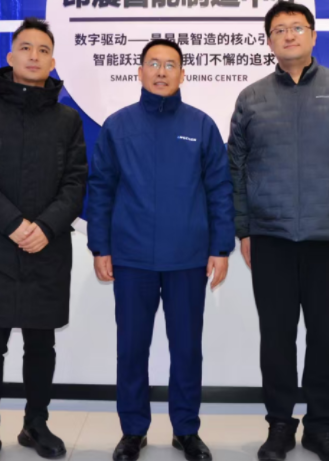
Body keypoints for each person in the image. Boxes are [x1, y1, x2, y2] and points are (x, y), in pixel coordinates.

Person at [228, 1, 329, 461]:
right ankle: (280, 425)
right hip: (271, 237)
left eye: (297, 27)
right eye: (279, 29)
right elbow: (235, 167)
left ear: (313, 36)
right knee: (276, 338)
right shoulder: (252, 97)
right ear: (269, 41)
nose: (289, 35)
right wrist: (244, 229)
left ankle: (320, 427)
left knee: (325, 338)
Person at [87, 39, 235, 461]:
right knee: (131, 348)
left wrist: (220, 247)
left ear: (183, 74)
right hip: (131, 257)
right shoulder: (118, 125)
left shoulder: (201, 125)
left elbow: (219, 189)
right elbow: (101, 188)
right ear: (139, 71)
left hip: (187, 257)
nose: (162, 71)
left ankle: (186, 430)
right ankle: (133, 430)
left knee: (186, 349)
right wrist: (100, 246)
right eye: (153, 63)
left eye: (171, 65)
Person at [0, 18, 87, 461]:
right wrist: (14, 224)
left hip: (47, 248)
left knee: (41, 344)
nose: (34, 56)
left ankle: (36, 424)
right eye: (26, 48)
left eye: (43, 50)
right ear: (11, 56)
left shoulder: (67, 120)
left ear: (53, 61)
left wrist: (45, 228)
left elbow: (76, 183)